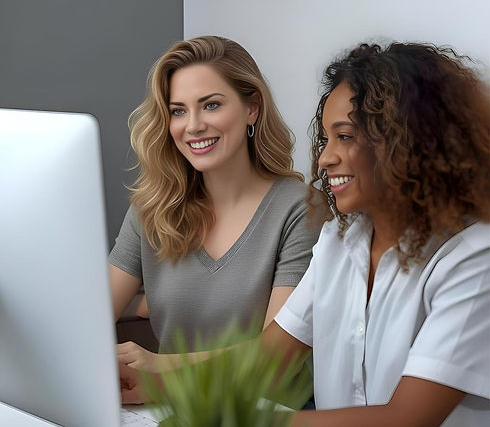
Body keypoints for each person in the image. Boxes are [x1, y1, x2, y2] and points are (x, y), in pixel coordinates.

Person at [120, 41, 489, 425]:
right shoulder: (340, 242)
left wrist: (232, 419)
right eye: (326, 139)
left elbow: (406, 418)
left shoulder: (474, 259)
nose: (325, 157)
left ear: (410, 141)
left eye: (345, 136)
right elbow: (270, 359)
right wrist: (157, 386)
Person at [110, 36, 323, 373]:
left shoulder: (300, 209)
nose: (193, 126)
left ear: (251, 108)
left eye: (211, 105)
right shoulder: (151, 208)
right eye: (178, 111)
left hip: (267, 413)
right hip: (167, 407)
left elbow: (277, 356)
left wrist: (163, 367)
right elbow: (92, 317)